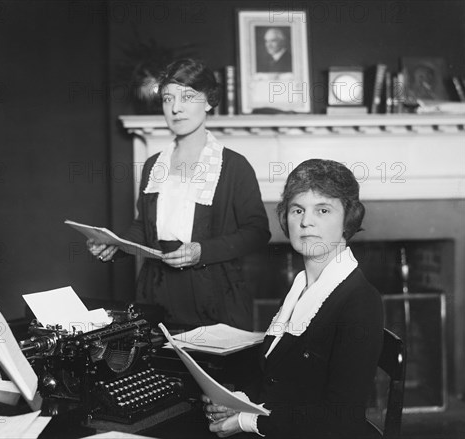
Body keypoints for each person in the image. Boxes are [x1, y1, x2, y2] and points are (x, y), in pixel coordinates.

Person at [203, 159, 384, 438]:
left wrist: (246, 421)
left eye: (322, 210)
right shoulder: (300, 286)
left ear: (349, 219)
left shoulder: (360, 301)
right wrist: (236, 400)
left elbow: (342, 418)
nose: (306, 221)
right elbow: (277, 375)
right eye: (297, 209)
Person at [87, 58, 271, 331]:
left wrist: (202, 251)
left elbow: (258, 232)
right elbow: (144, 226)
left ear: (208, 101)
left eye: (187, 97)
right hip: (155, 294)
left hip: (216, 298)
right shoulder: (153, 165)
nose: (176, 108)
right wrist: (116, 244)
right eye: (167, 98)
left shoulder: (233, 166)